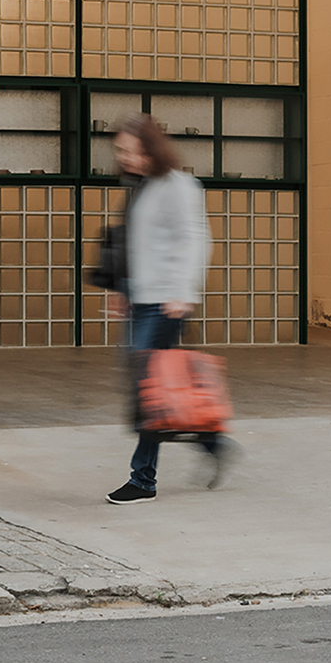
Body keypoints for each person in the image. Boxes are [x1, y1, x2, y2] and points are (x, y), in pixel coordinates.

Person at [103, 112, 227, 503]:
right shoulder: (140, 187)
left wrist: (184, 291)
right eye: (120, 151)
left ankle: (143, 480)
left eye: (130, 150)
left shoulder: (179, 186)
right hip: (141, 297)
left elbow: (196, 239)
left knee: (148, 390)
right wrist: (123, 287)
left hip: (166, 303)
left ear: (150, 149)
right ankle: (209, 439)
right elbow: (136, 243)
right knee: (150, 387)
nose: (123, 157)